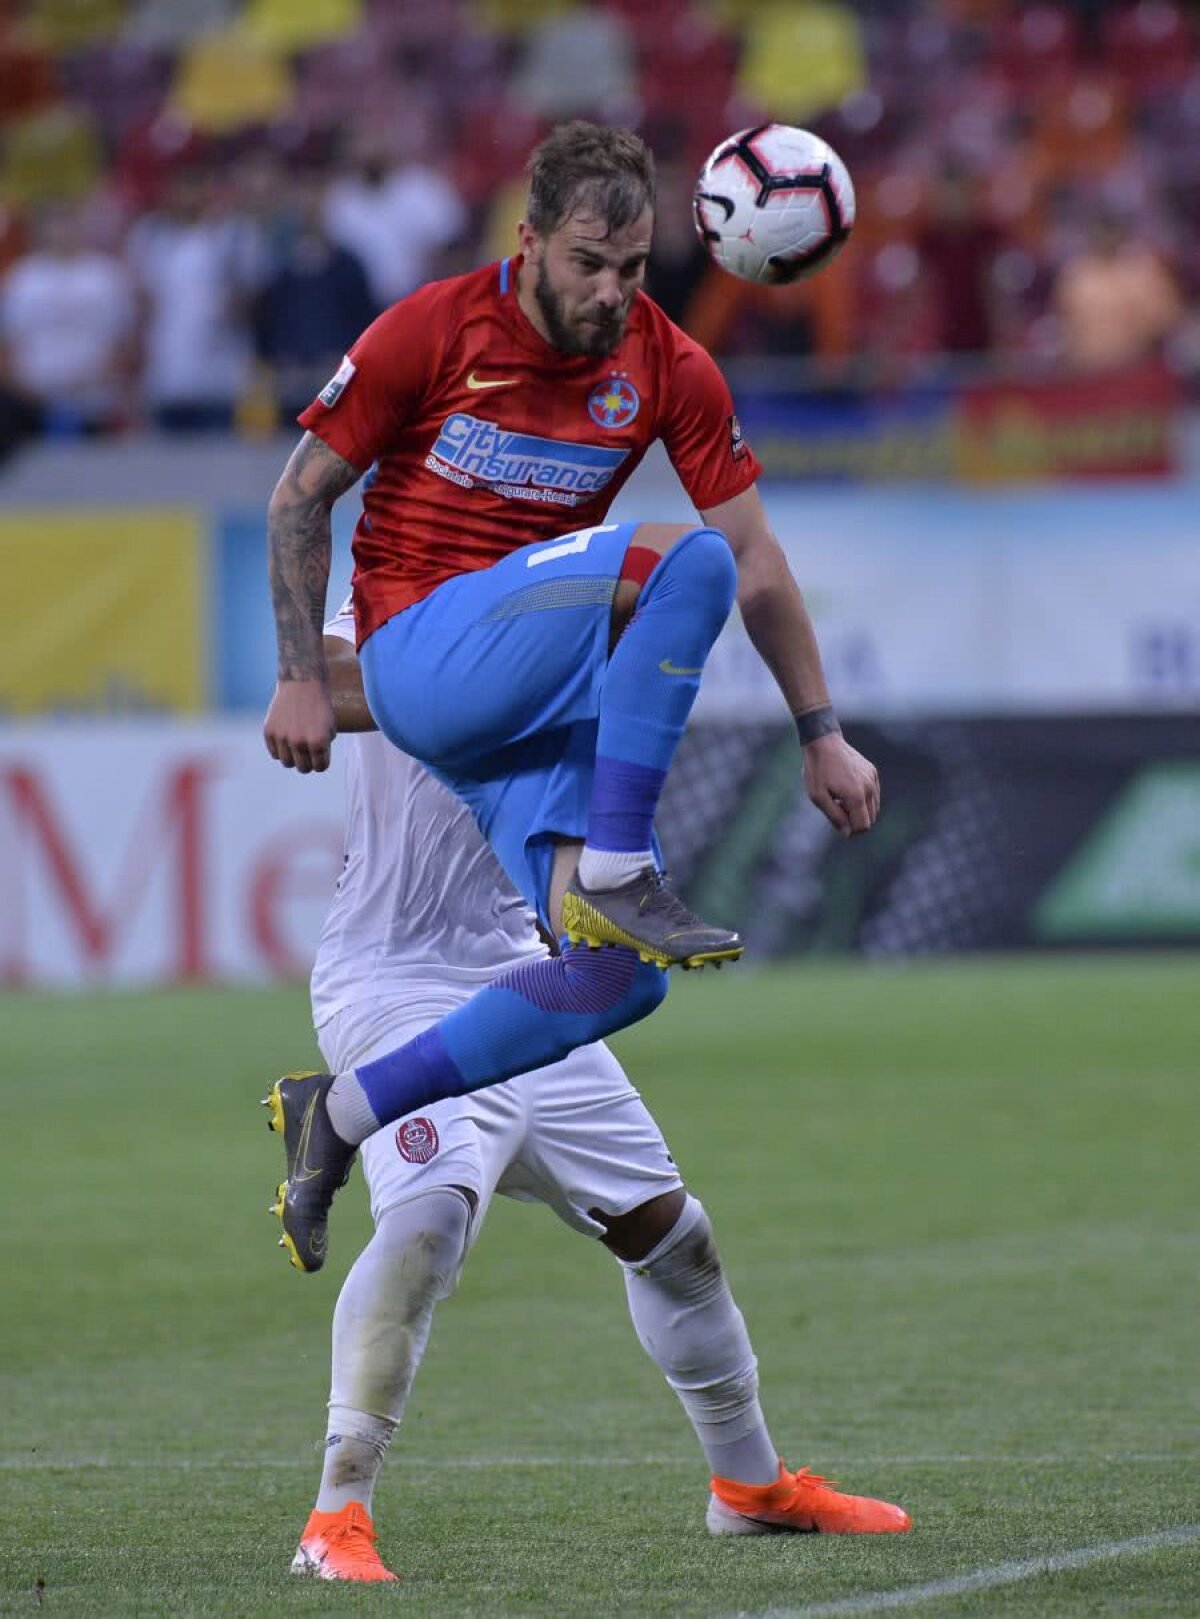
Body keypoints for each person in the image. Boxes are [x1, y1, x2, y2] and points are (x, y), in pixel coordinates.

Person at [262, 121, 880, 1276]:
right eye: (589, 264)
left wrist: (822, 730)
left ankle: (336, 1113)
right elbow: (297, 500)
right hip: (416, 646)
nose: (611, 292)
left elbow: (760, 559)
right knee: (675, 564)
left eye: (634, 269)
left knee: (616, 976)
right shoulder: (435, 328)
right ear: (531, 240)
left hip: (519, 704)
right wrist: (304, 671)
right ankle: (617, 863)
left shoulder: (666, 366)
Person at [267, 605, 910, 1582]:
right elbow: (329, 682)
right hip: (391, 977)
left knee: (669, 1232)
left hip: (524, 973)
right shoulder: (399, 589)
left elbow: (729, 592)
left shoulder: (564, 591)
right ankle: (334, 1518)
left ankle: (750, 1488)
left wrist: (810, 730)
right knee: (428, 1219)